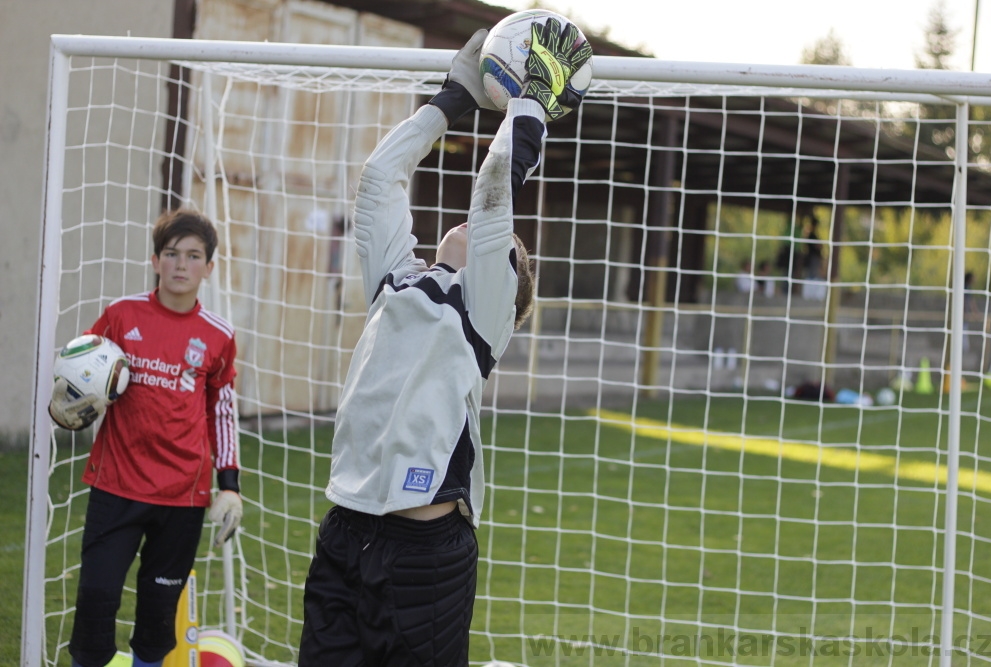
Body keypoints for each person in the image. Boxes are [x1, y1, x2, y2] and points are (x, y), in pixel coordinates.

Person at [297, 20, 591, 667]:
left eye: (510, 253)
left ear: (506, 282)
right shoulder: (394, 283)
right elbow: (379, 179)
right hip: (345, 531)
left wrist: (528, 104)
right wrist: (451, 98)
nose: (492, 238)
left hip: (424, 552)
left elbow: (492, 202)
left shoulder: (479, 317)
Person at [48, 209, 243, 667]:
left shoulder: (218, 335)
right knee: (96, 603)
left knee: (158, 620)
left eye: (193, 256)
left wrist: (229, 484)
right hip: (116, 487)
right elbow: (80, 373)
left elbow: (222, 408)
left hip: (183, 497)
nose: (181, 264)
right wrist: (67, 402)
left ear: (209, 268)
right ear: (156, 260)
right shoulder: (121, 315)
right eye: (172, 254)